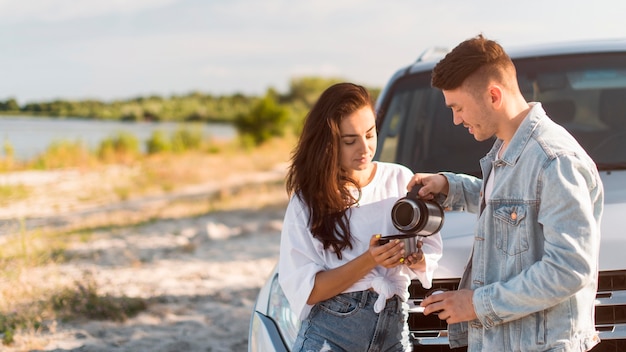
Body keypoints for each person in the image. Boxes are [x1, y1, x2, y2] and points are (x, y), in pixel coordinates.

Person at [412, 34, 604, 351]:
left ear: (493, 96)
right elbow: (515, 207)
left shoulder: (554, 161)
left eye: (458, 107)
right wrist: (451, 187)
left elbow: (570, 269)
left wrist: (477, 304)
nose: (456, 119)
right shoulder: (510, 150)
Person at [278, 82, 443, 351]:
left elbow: (432, 253)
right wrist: (369, 260)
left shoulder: (400, 178)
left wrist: (416, 258)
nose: (364, 148)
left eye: (369, 134)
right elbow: (308, 290)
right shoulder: (308, 199)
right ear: (328, 143)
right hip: (332, 334)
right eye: (350, 140)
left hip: (394, 330)